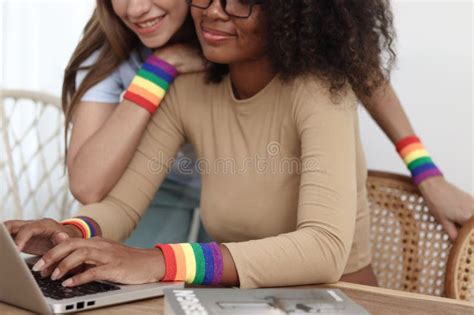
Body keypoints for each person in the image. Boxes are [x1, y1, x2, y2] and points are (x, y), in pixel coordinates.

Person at [5, 0, 473, 288]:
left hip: (335, 298)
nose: (213, 10)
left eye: (242, 0)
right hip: (234, 299)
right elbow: (124, 205)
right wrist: (73, 231)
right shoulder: (187, 88)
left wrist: (157, 261)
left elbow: (323, 248)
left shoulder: (321, 90)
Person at [62, 0, 212, 247]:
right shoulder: (108, 48)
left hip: (239, 182)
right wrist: (159, 69)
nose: (135, 9)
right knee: (122, 275)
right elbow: (87, 186)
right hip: (157, 184)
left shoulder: (240, 27)